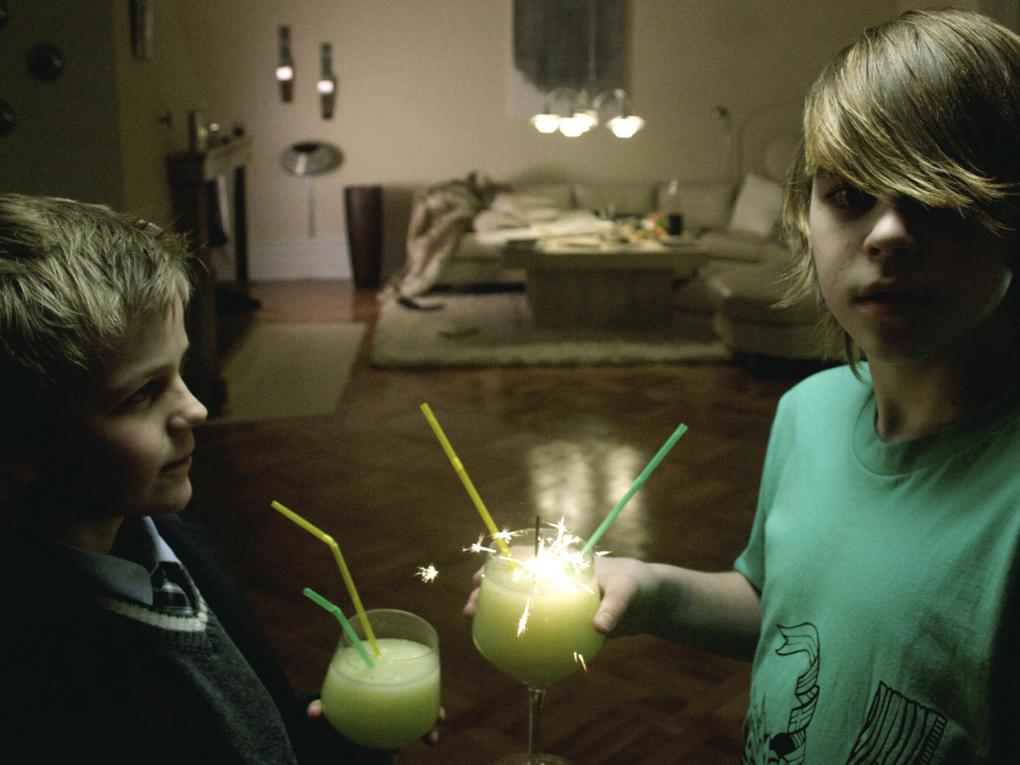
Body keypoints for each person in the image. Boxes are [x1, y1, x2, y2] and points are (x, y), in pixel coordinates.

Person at [468, 8, 1020, 762]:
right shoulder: (807, 413)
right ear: (807, 215)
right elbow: (785, 608)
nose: (889, 232)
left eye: (937, 196)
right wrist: (652, 589)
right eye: (850, 194)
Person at [0, 194, 426, 763]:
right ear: (22, 445)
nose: (196, 409)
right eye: (141, 394)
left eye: (180, 370)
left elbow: (244, 714)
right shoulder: (41, 680)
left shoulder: (172, 536)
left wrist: (336, 737)